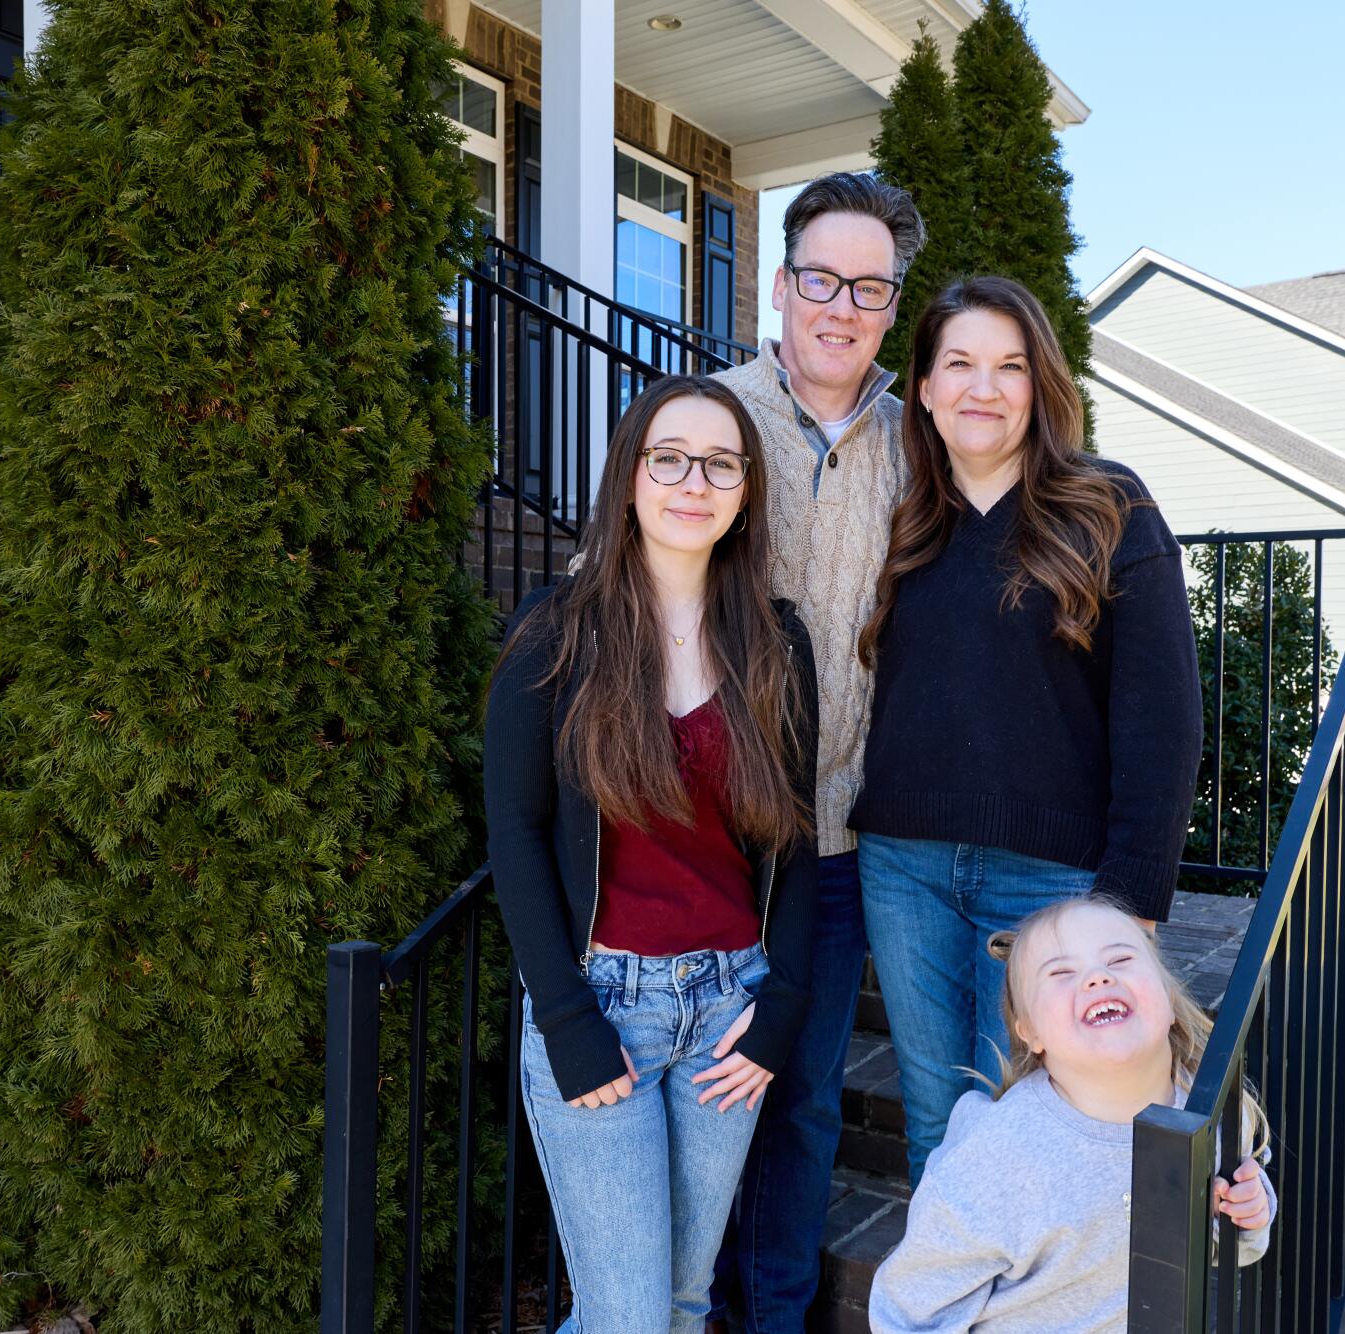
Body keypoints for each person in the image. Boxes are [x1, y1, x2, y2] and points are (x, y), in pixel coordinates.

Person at [484, 374, 820, 1332]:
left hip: (727, 1011)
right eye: (669, 457)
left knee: (678, 1302)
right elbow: (512, 830)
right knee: (626, 1315)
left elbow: (793, 836)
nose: (694, 481)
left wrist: (777, 1013)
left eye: (721, 463)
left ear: (747, 492)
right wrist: (566, 1016)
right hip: (603, 1005)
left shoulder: (774, 642)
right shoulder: (555, 632)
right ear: (630, 476)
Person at [851, 275, 1204, 1183]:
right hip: (903, 868)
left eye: (1009, 366)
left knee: (1034, 1119)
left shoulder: (1108, 507)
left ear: (1040, 384)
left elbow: (1163, 717)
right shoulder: (900, 517)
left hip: (1053, 882)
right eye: (958, 363)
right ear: (922, 387)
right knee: (937, 1117)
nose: (983, 387)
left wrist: (1131, 901)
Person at [707, 172, 925, 1332]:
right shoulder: (707, 417)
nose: (840, 306)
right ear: (781, 283)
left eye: (869, 288)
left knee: (797, 1100)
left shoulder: (916, 443)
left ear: (892, 306)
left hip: (834, 840)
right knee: (685, 1090)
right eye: (821, 279)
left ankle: (773, 1316)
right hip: (698, 834)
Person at [867, 896, 1275, 1332]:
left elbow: (1217, 1249)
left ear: (1169, 999)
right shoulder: (996, 1156)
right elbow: (908, 1310)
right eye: (1062, 972)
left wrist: (1246, 1216)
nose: (1098, 978)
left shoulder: (1209, 1115)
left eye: (1119, 958)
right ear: (1030, 1033)